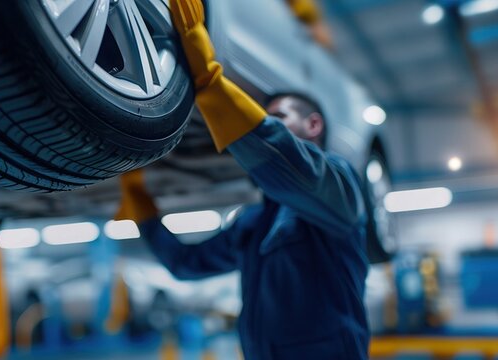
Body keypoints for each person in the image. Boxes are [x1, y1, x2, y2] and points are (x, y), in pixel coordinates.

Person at [115, 0, 369, 358]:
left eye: (276, 115)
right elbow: (186, 265)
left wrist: (213, 86)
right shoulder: (254, 222)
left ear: (313, 125)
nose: (261, 121)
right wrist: (143, 208)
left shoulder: (341, 190)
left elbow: (289, 163)